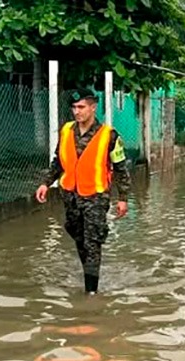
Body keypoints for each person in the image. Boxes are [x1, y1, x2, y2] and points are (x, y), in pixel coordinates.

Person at [35, 89, 131, 295]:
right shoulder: (66, 131)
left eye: (81, 107)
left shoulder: (109, 136)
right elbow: (59, 161)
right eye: (74, 107)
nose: (76, 112)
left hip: (95, 197)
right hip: (70, 195)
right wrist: (45, 182)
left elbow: (121, 168)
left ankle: (91, 293)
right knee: (78, 237)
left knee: (92, 241)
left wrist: (123, 198)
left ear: (93, 108)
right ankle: (89, 272)